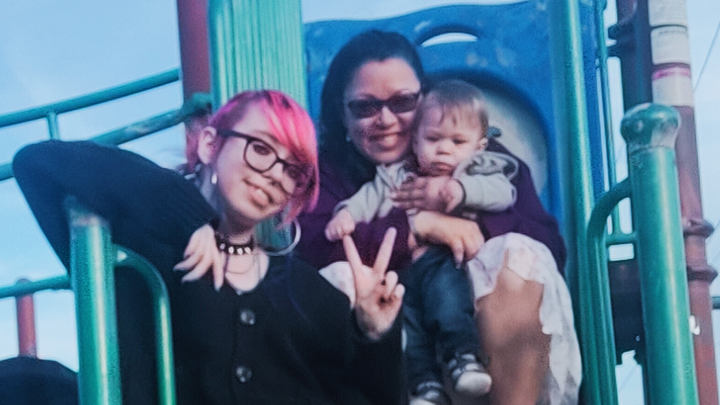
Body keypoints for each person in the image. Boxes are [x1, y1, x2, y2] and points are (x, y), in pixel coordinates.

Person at [13, 90, 407, 405]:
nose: (275, 174)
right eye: (261, 148)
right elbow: (38, 163)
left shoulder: (306, 293)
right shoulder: (141, 256)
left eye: (293, 170)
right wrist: (188, 217)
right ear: (209, 145)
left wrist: (375, 337)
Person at [295, 29, 581, 405]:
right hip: (388, 355)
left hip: (486, 349)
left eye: (402, 101)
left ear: (424, 97)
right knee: (341, 278)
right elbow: (314, 248)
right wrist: (417, 227)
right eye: (365, 106)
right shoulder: (327, 175)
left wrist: (470, 222)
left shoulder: (477, 155)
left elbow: (547, 242)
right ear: (341, 113)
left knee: (521, 253)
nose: (385, 119)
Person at [324, 79, 520, 403]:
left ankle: (464, 358)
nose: (444, 149)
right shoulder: (399, 175)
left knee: (449, 305)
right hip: (402, 268)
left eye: (458, 141)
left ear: (478, 147)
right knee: (407, 326)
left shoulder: (475, 170)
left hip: (445, 262)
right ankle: (425, 387)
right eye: (433, 139)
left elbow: (504, 193)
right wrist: (346, 214)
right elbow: (370, 197)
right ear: (415, 141)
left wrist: (463, 191)